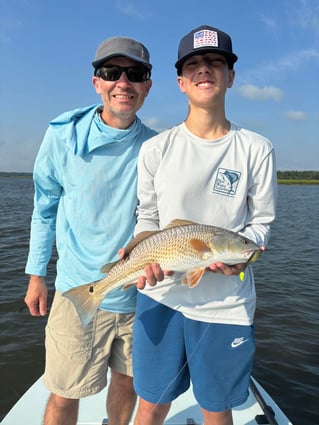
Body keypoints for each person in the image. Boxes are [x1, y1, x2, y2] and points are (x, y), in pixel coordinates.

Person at [131, 25, 277, 425]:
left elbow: (261, 223)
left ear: (231, 76)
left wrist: (243, 259)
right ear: (180, 82)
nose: (204, 70)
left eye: (215, 62)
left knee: (216, 406)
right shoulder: (155, 149)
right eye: (193, 64)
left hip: (225, 304)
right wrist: (139, 255)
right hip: (160, 295)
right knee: (151, 403)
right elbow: (147, 217)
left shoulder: (257, 149)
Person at [24, 36, 156, 425]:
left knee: (128, 384)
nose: (123, 82)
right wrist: (36, 276)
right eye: (111, 73)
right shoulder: (62, 135)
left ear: (148, 84)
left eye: (135, 74)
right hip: (77, 288)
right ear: (96, 82)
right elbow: (43, 209)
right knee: (64, 395)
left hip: (139, 296)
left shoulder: (157, 147)